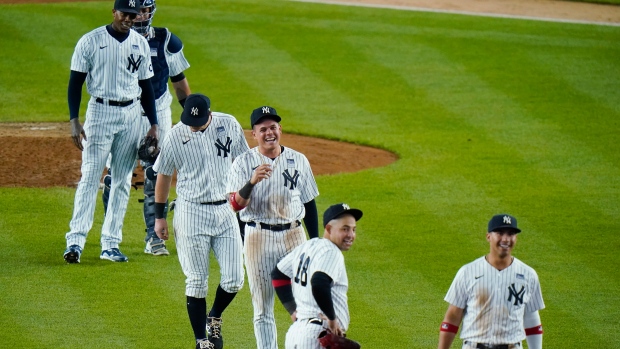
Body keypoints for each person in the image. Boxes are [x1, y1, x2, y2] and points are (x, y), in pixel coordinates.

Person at [64, 0, 159, 264]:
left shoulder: (140, 44)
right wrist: (74, 120)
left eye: (133, 14)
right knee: (90, 176)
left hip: (131, 115)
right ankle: (75, 240)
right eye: (124, 13)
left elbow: (146, 86)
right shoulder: (90, 41)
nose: (129, 18)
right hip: (100, 113)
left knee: (122, 180)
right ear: (113, 12)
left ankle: (110, 244)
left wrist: (153, 123)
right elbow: (75, 83)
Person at [153, 94, 249, 349]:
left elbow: (245, 162)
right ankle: (201, 339)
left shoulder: (228, 124)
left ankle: (214, 316)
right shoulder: (176, 135)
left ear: (210, 113)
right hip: (191, 213)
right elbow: (163, 176)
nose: (193, 125)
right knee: (196, 280)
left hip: (226, 210)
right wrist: (159, 217)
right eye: (190, 121)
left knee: (234, 279)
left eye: (198, 121)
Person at [101, 0, 191, 257]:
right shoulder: (111, 40)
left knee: (155, 173)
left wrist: (192, 119)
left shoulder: (166, 41)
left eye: (144, 9)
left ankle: (154, 237)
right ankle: (111, 237)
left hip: (159, 112)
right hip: (123, 113)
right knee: (115, 177)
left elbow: (180, 84)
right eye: (135, 10)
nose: (139, 15)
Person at [226, 105, 320, 349]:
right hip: (258, 237)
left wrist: (315, 241)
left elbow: (309, 202)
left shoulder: (298, 160)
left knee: (306, 304)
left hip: (294, 235)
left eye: (273, 127)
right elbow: (236, 204)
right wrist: (252, 181)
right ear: (253, 134)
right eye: (263, 129)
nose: (270, 133)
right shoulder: (242, 163)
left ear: (280, 130)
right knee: (262, 309)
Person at [438, 214, 545, 349]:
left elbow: (532, 320)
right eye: (500, 233)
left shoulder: (528, 275)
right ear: (488, 236)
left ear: (516, 238)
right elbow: (452, 318)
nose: (505, 239)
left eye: (511, 234)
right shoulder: (467, 272)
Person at [271, 203, 363, 348]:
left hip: (296, 333)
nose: (351, 235)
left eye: (353, 229)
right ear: (328, 229)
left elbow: (278, 274)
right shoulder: (331, 251)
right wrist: (332, 319)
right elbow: (319, 282)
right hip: (317, 335)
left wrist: (292, 310)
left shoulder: (308, 246)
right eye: (345, 229)